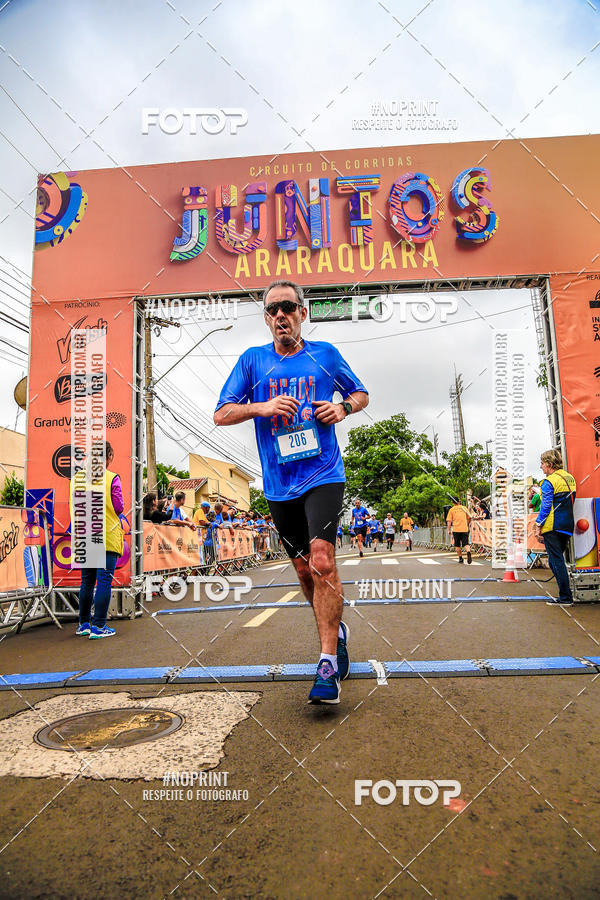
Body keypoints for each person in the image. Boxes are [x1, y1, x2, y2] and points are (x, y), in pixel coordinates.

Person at [214, 279, 369, 704]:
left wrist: (342, 408)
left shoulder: (325, 355)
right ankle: (335, 631)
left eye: (287, 307)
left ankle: (325, 665)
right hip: (279, 484)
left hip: (323, 473)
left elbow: (361, 393)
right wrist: (260, 406)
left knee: (322, 560)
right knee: (303, 572)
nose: (280, 315)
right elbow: (221, 413)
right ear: (266, 319)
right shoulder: (252, 362)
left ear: (303, 313)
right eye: (272, 310)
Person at [70, 441, 124, 639]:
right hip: (107, 535)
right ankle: (99, 626)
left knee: (86, 582)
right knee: (103, 581)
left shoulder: (77, 479)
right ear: (108, 456)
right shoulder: (112, 478)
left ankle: (83, 623)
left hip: (85, 535)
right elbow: (118, 507)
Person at [534, 449, 577, 605]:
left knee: (556, 561)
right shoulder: (570, 478)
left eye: (542, 463)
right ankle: (566, 594)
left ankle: (565, 597)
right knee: (554, 561)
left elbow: (545, 507)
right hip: (567, 525)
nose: (541, 467)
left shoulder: (548, 482)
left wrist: (538, 524)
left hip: (553, 526)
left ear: (549, 464)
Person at [446, 498, 472, 564]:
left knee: (457, 545)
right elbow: (469, 517)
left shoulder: (451, 510)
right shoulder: (464, 508)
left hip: (456, 529)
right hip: (464, 529)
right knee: (466, 544)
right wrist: (467, 524)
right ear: (459, 501)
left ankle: (460, 558)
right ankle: (468, 552)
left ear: (452, 502)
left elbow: (449, 521)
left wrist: (449, 530)